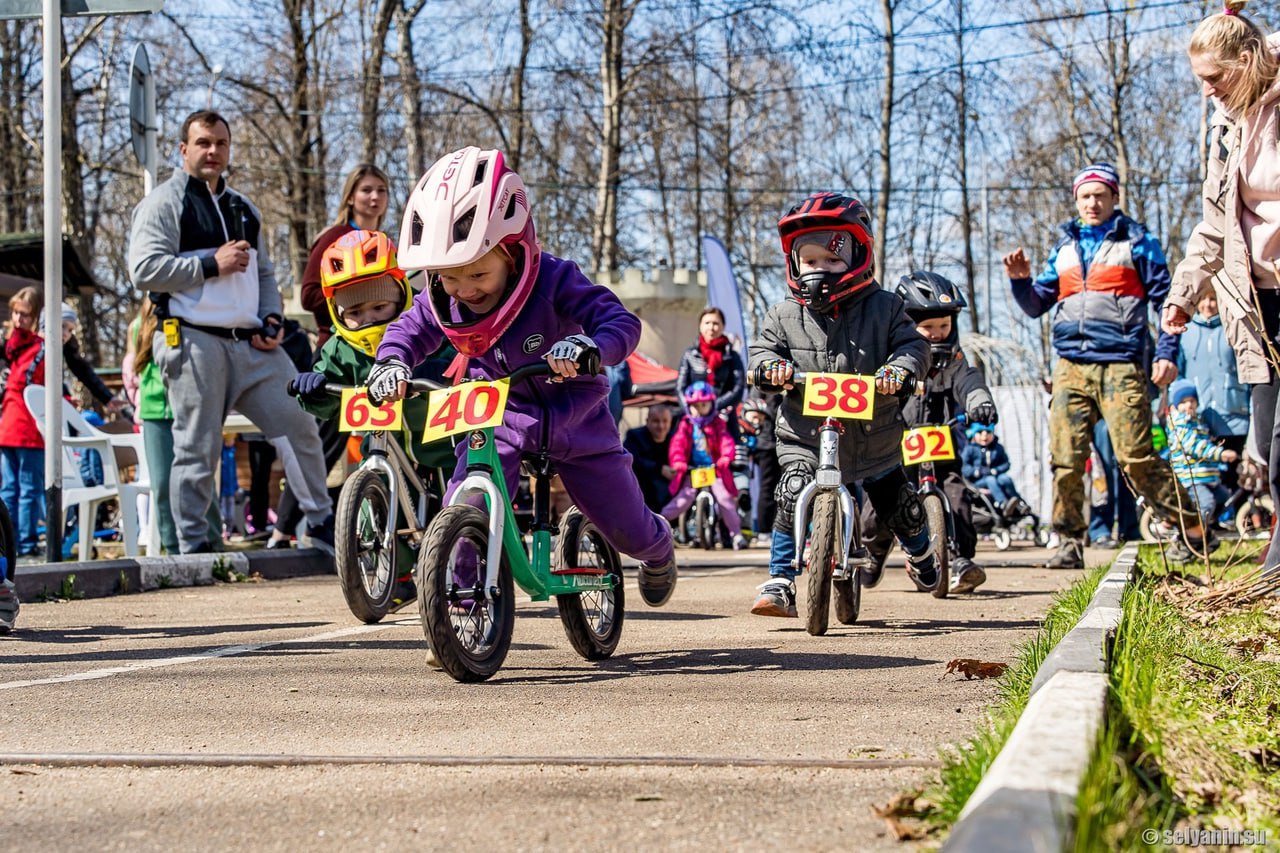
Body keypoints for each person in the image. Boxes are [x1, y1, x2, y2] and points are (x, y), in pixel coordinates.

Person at [364, 146, 678, 606]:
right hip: (498, 413)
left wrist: (591, 345)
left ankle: (657, 548)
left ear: (513, 254)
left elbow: (618, 321)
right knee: (467, 498)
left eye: (477, 274)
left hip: (575, 418)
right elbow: (409, 328)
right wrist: (391, 362)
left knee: (627, 526)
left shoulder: (553, 280)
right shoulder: (441, 296)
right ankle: (461, 602)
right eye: (450, 279)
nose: (464, 290)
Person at [127, 109, 334, 554]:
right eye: (203, 143)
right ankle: (193, 546)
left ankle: (319, 524)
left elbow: (264, 275)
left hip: (253, 345)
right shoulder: (165, 203)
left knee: (299, 424)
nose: (213, 151)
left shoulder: (245, 208)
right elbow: (143, 269)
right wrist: (209, 264)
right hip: (193, 338)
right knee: (197, 446)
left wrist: (273, 319)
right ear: (183, 150)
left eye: (220, 143)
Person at [1004, 161, 1209, 569]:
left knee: (1134, 457)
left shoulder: (1138, 242)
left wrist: (1166, 354)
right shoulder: (1062, 249)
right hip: (1070, 366)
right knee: (1065, 457)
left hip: (1122, 364)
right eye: (1085, 196)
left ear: (1115, 198)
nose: (1092, 203)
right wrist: (1020, 282)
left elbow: (1168, 304)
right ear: (1076, 200)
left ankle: (1193, 530)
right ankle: (1068, 542)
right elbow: (1034, 307)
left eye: (1100, 195)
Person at [748, 192, 932, 618]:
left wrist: (899, 370)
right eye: (810, 261)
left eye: (832, 260)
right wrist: (770, 368)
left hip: (874, 437)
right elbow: (761, 352)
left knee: (898, 505)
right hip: (806, 434)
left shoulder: (886, 307)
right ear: (795, 265)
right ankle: (779, 580)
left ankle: (923, 554)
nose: (821, 270)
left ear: (859, 256)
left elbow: (911, 346)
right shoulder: (783, 314)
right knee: (792, 491)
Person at [1163, 1, 1280, 577]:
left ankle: (1275, 571)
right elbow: (1215, 224)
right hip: (1259, 307)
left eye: (1214, 78)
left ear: (1249, 59)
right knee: (1265, 447)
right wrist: (1183, 295)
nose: (1207, 91)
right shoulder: (1224, 128)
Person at [861, 271, 994, 594]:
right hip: (895, 447)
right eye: (927, 328)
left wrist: (980, 403)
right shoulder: (893, 362)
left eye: (944, 327)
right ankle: (873, 552)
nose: (936, 335)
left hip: (940, 445)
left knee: (958, 495)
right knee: (877, 508)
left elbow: (971, 384)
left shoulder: (955, 363)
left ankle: (960, 559)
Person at [121, 297, 222, 554]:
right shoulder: (138, 326)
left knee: (200, 477)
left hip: (187, 405)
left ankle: (214, 543)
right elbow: (135, 368)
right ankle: (173, 548)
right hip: (155, 411)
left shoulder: (191, 319)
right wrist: (139, 400)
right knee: (163, 483)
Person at [301, 163, 392, 348]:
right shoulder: (333, 238)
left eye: (381, 190)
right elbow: (308, 295)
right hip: (337, 348)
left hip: (382, 346)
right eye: (366, 190)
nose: (375, 196)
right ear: (350, 198)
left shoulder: (386, 242)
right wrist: (355, 294)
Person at [1175, 289, 1250, 496]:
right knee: (1205, 470)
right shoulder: (1186, 333)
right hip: (1200, 415)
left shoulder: (1233, 329)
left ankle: (1241, 519)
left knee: (1236, 472)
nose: (1208, 305)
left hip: (1233, 414)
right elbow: (1179, 374)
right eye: (1204, 299)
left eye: (1213, 300)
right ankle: (1211, 518)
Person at [659, 382, 747, 550]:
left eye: (703, 405)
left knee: (724, 499)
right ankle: (658, 523)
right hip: (693, 471)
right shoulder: (686, 424)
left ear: (712, 404)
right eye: (695, 406)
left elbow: (726, 442)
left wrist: (725, 458)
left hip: (715, 471)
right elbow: (677, 445)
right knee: (683, 499)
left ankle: (737, 535)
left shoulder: (717, 423)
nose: (699, 409)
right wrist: (678, 462)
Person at [0, 286, 46, 558]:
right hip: (12, 426)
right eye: (16, 313)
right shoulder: (11, 347)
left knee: (25, 488)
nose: (19, 319)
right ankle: (15, 544)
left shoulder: (38, 347)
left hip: (28, 427)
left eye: (25, 315)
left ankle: (22, 543)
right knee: (12, 488)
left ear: (36, 316)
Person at [1166, 379, 1240, 527]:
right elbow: (1194, 445)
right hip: (1192, 477)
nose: (1189, 405)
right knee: (1206, 503)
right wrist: (1219, 454)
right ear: (1175, 406)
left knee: (1224, 497)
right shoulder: (1179, 423)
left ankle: (1212, 524)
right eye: (1183, 402)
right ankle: (1196, 532)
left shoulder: (1198, 421)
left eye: (1192, 401)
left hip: (1207, 476)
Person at [676, 307, 746, 436]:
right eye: (707, 323)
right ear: (700, 326)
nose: (711, 327)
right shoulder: (690, 355)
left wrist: (713, 406)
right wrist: (691, 408)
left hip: (725, 419)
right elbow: (680, 387)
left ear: (723, 326)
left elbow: (738, 388)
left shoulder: (732, 356)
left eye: (716, 323)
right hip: (694, 419)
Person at [961, 423, 1028, 516]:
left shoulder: (997, 448)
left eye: (988, 432)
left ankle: (1019, 503)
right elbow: (964, 467)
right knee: (990, 480)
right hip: (978, 481)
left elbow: (1006, 464)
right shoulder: (970, 449)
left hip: (995, 476)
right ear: (974, 434)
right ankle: (1003, 503)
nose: (985, 435)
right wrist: (976, 471)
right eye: (980, 432)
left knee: (1005, 479)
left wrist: (995, 470)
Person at [624, 404, 675, 513]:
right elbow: (631, 460)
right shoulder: (634, 436)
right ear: (647, 421)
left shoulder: (675, 439)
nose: (661, 426)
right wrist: (659, 469)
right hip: (640, 489)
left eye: (665, 421)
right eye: (656, 421)